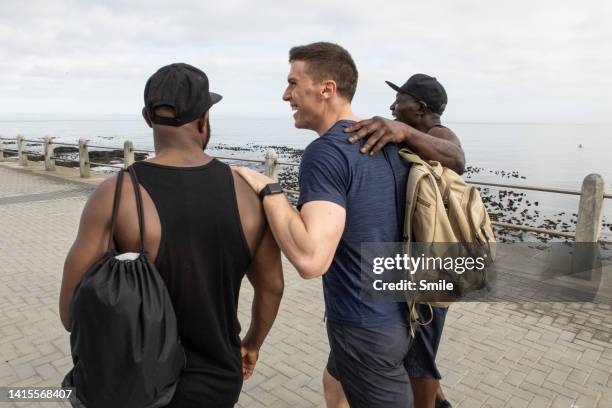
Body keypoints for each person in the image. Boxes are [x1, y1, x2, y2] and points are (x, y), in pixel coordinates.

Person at [233, 43, 464, 408]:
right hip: (403, 316)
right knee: (334, 382)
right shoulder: (391, 143)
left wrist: (268, 189)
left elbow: (311, 260)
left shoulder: (327, 152)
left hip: (364, 328)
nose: (285, 95)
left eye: (293, 83)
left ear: (327, 89)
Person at [59, 63, 284, 408]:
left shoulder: (115, 195)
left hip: (137, 387)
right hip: (219, 379)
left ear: (148, 118)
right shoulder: (249, 195)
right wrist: (251, 343)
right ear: (204, 119)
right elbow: (272, 287)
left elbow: (70, 314)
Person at [345, 74, 463, 408]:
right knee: (414, 348)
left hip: (430, 268)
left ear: (421, 107)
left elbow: (457, 158)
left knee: (419, 357)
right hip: (408, 263)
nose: (392, 106)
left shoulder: (438, 134)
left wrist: (404, 131)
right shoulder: (413, 138)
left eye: (400, 100)